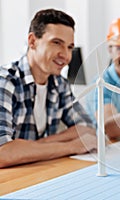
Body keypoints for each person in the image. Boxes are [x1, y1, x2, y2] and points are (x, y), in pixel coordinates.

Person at [0, 9, 97, 168]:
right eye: (56, 43)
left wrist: (34, 146)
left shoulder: (59, 84)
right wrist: (71, 146)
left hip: (38, 173)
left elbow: (87, 130)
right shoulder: (5, 82)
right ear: (32, 41)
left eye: (70, 47)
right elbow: (3, 153)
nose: (65, 56)